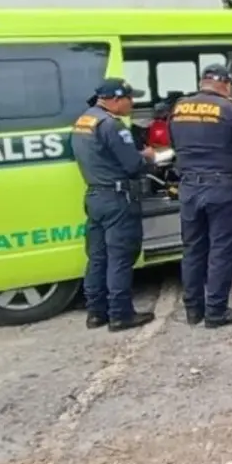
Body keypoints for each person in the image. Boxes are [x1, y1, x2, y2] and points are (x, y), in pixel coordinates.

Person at [168, 64, 232, 328]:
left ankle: (193, 310)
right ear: (226, 84)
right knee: (221, 250)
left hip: (188, 188)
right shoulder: (231, 109)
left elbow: (175, 144)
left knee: (193, 250)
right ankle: (216, 311)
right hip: (221, 189)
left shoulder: (179, 107)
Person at [70, 79, 157, 332]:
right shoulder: (112, 125)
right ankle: (121, 315)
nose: (133, 103)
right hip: (117, 199)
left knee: (97, 257)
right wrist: (148, 157)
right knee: (120, 257)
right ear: (116, 99)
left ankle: (96, 313)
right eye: (130, 99)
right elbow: (133, 166)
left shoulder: (83, 121)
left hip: (95, 196)